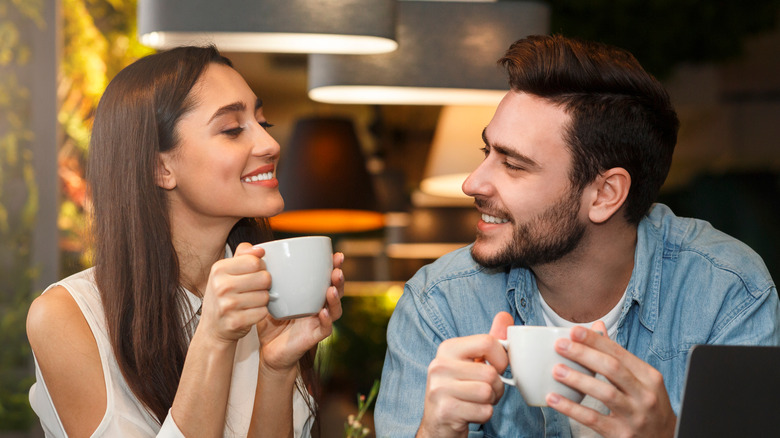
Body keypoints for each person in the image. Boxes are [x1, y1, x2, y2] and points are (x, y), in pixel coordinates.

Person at [374, 34, 780, 438]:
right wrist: (434, 433)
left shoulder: (727, 290)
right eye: (487, 154)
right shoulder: (439, 304)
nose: (472, 183)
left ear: (605, 194)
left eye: (513, 165)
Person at [25, 46, 344, 437]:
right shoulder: (68, 317)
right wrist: (213, 337)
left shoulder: (269, 300)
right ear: (161, 167)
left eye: (264, 123)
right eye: (232, 129)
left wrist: (276, 368)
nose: (270, 145)